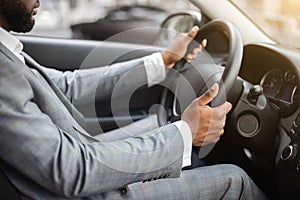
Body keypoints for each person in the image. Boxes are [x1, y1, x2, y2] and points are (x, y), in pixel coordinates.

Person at [0, 0, 267, 199]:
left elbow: (64, 86)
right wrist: (186, 133)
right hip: (81, 190)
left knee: (166, 133)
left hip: (76, 164)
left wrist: (160, 62)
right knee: (236, 181)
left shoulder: (6, 51)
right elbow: (71, 169)